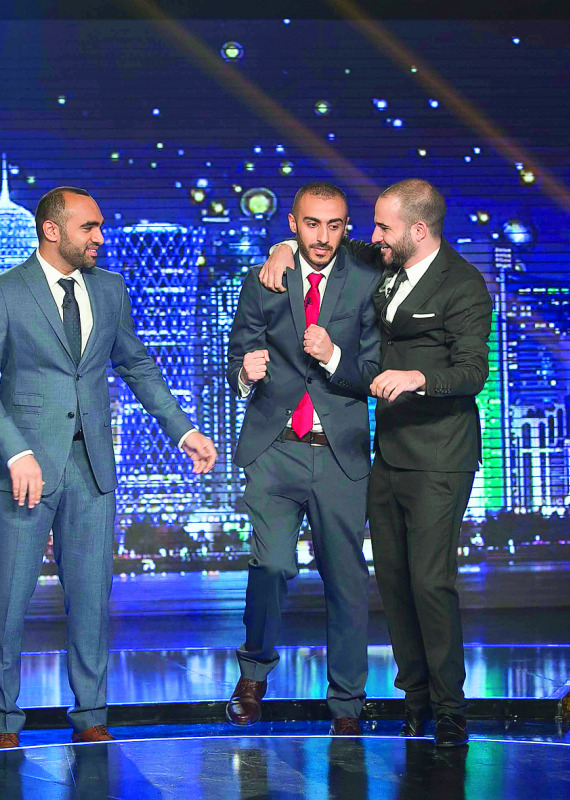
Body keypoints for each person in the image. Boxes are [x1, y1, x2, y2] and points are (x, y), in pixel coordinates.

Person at [0, 186, 218, 750]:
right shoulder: (3, 292)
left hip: (92, 465)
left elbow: (139, 366)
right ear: (53, 230)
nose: (100, 237)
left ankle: (92, 713)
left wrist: (185, 430)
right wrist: (15, 449)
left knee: (92, 598)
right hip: (25, 467)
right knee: (7, 598)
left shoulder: (109, 289)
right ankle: (4, 722)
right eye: (90, 227)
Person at [257, 179, 491, 747]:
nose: (373, 235)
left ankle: (449, 706)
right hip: (384, 454)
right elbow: (324, 244)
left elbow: (472, 371)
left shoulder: (463, 285)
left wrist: (418, 378)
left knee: (430, 582)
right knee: (393, 581)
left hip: (438, 456)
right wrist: (281, 249)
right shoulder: (384, 259)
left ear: (418, 230)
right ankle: (414, 699)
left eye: (383, 227)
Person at [225, 182, 381, 735]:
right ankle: (254, 670)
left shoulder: (366, 282)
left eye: (334, 225)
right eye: (312, 224)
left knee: (346, 580)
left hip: (339, 453)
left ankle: (346, 705)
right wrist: (245, 373)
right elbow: (237, 351)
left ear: (346, 227)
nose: (323, 236)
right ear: (292, 223)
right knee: (270, 566)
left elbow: (373, 370)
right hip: (274, 448)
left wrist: (334, 355)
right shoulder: (266, 276)